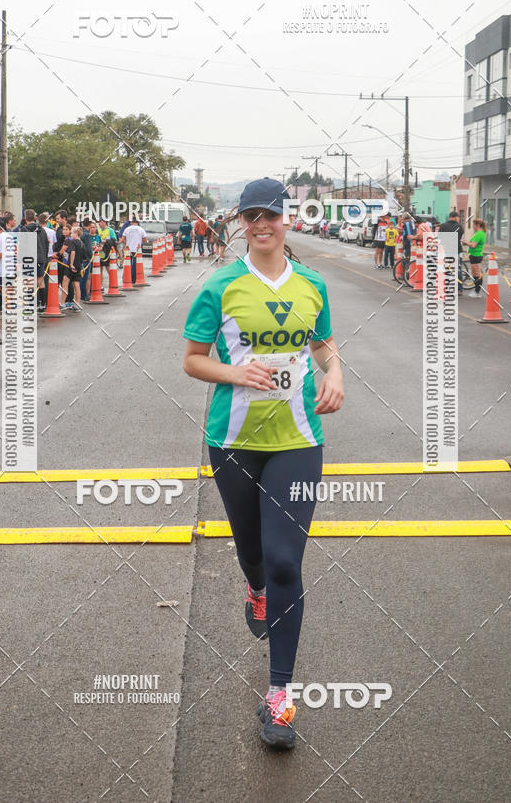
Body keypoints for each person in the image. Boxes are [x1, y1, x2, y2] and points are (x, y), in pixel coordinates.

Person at [182, 177, 344, 750]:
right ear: (241, 223)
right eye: (251, 216)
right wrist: (236, 373)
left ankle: (279, 698)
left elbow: (322, 343)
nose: (261, 225)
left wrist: (335, 373)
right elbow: (193, 361)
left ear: (285, 219)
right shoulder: (222, 286)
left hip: (298, 440)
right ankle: (252, 588)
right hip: (233, 440)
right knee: (253, 554)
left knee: (284, 562)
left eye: (270, 215)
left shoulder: (312, 284)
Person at [19, 209, 49, 311]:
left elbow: (22, 246)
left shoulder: (24, 229)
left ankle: (30, 304)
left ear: (25, 218)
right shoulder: (42, 229)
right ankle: (43, 304)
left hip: (29, 259)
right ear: (34, 218)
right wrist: (44, 257)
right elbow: (46, 244)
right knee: (40, 280)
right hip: (41, 258)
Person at [439, 211, 464, 295]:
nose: (459, 219)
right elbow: (459, 238)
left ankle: (447, 288)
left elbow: (440, 238)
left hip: (446, 251)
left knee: (447, 270)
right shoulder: (459, 227)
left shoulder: (442, 226)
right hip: (456, 251)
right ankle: (459, 289)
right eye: (458, 217)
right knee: (457, 270)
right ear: (455, 217)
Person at [60, 226, 83, 310]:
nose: (71, 234)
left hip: (70, 266)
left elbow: (72, 252)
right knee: (76, 285)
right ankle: (77, 304)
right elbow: (84, 256)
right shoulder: (81, 243)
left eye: (72, 233)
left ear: (76, 233)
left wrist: (71, 263)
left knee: (65, 283)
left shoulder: (73, 242)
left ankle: (62, 303)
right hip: (78, 266)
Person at [463, 218, 487, 297]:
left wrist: (466, 242)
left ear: (478, 225)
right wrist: (467, 243)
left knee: (477, 274)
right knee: (475, 274)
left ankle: (477, 291)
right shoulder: (479, 233)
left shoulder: (479, 234)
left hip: (476, 255)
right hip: (474, 255)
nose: (473, 226)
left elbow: (473, 245)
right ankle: (476, 291)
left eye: (473, 225)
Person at [122, 216, 147, 284]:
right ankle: (133, 278)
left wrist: (127, 243)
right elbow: (145, 240)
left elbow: (123, 239)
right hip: (137, 250)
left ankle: (126, 277)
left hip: (128, 250)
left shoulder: (127, 229)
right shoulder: (141, 229)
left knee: (127, 264)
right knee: (135, 265)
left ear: (131, 222)